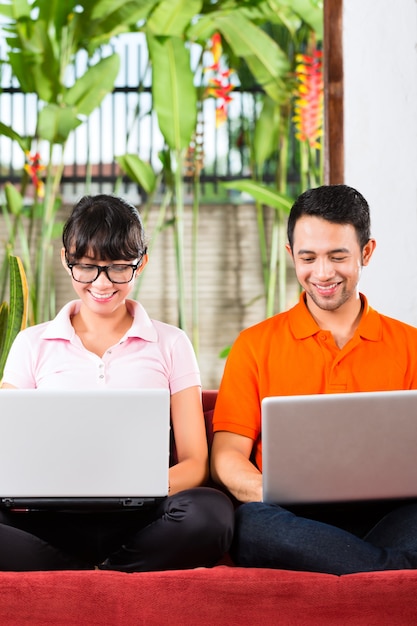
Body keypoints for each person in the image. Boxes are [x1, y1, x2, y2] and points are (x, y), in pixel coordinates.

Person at [0, 193, 234, 572]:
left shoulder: (171, 343)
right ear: (66, 259)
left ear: (140, 265)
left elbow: (195, 462)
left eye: (118, 268)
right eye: (88, 267)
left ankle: (97, 571)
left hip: (142, 518)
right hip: (52, 518)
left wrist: (133, 487)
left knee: (211, 513)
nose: (102, 283)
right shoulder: (31, 344)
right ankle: (95, 573)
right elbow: (8, 457)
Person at [211, 184, 417, 575]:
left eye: (338, 256)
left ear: (366, 253)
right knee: (252, 525)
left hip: (387, 515)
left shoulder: (411, 345)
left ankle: (351, 565)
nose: (322, 273)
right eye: (308, 258)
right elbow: (227, 455)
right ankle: (390, 574)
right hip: (289, 517)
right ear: (291, 255)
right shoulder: (254, 345)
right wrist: (268, 494)